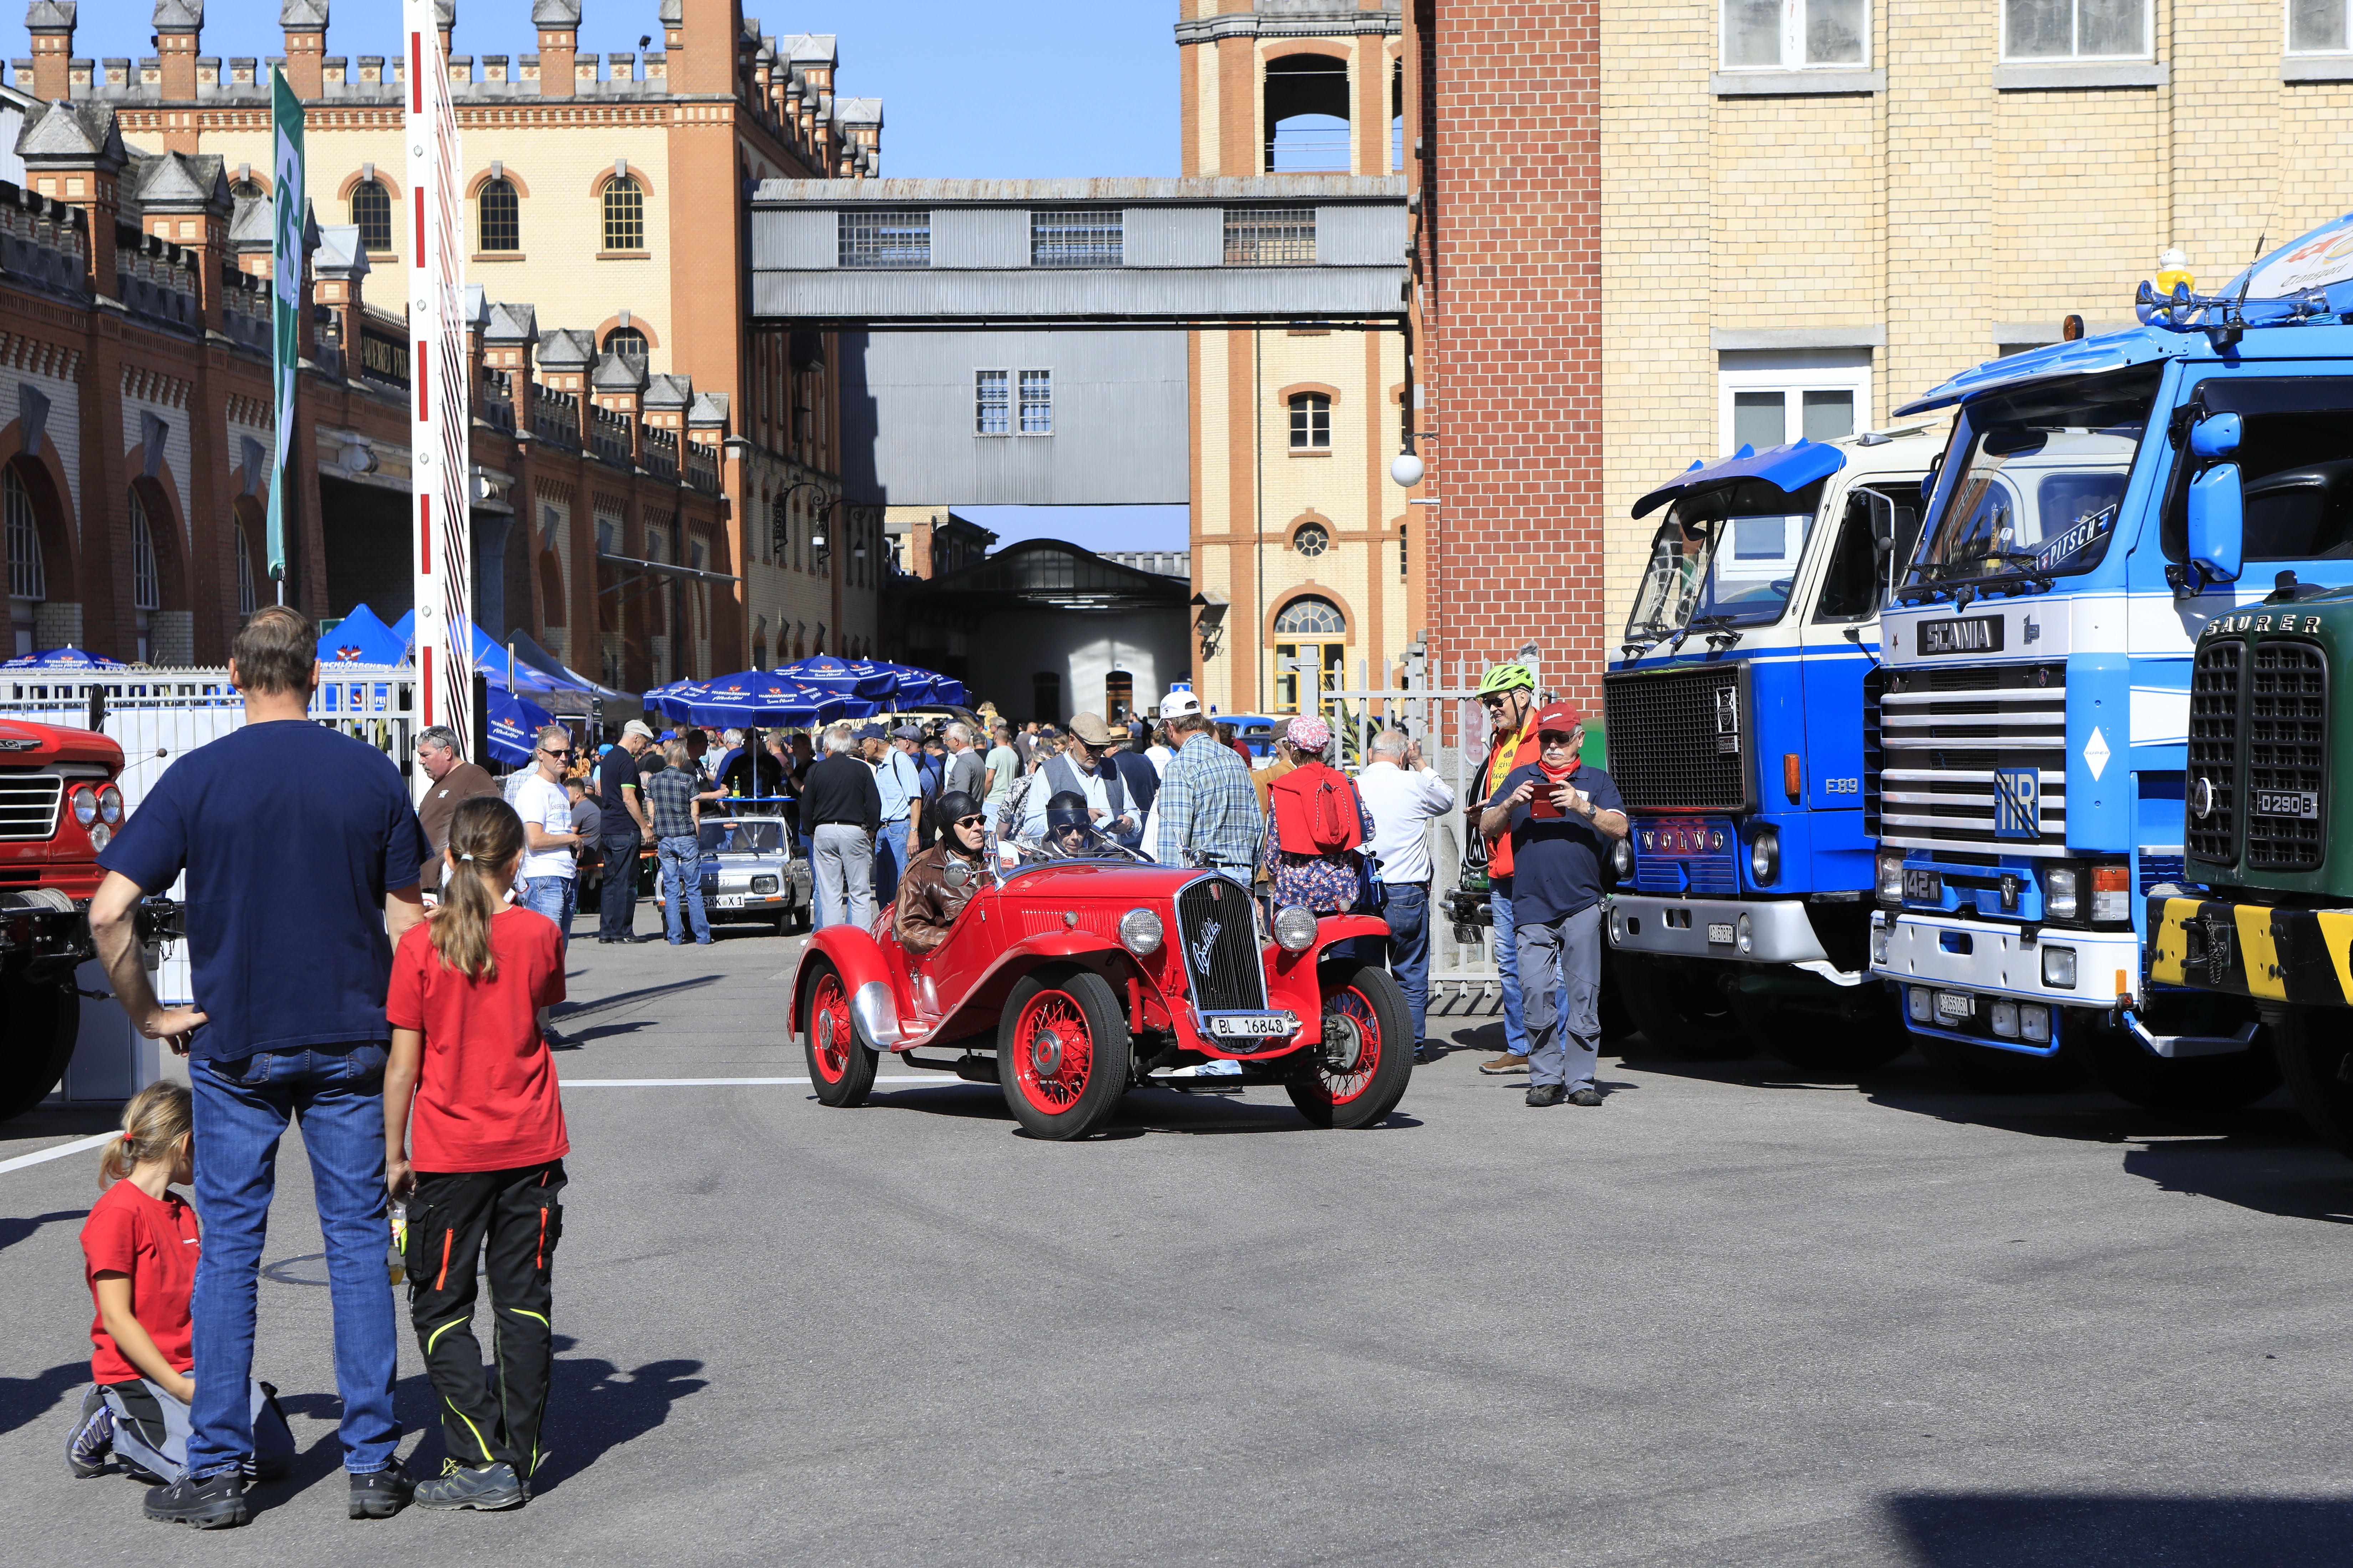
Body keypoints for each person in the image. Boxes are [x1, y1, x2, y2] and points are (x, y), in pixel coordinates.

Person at [87, 604, 427, 1526]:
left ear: (234, 672)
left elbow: (108, 910)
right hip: (354, 1035)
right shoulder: (370, 773)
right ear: (315, 673)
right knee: (358, 1243)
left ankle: (222, 1471)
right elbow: (407, 925)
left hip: (236, 1043)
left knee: (231, 1252)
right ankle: (372, 1464)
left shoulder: (197, 778)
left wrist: (152, 1012)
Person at [383, 796, 570, 1511]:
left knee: (440, 1304)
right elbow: (541, 1005)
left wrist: (393, 1151)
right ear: (517, 859)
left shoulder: (420, 946)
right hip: (531, 1141)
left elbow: (403, 1065)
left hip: (450, 1147)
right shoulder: (539, 932)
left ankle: (479, 1455)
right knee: (523, 1302)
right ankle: (517, 1457)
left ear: (452, 858)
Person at [67, 1082, 296, 1504]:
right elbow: (117, 1317)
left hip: (198, 1370)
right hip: (142, 1373)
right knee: (202, 1469)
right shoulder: (118, 1213)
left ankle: (170, 1419)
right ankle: (113, 1418)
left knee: (275, 1459)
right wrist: (176, 1385)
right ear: (188, 1142)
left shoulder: (183, 1210)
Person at [1479, 702, 1628, 1109]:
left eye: (1561, 739)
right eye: (1546, 739)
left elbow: (1620, 827)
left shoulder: (1595, 780)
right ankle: (1545, 1078)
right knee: (1535, 992)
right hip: (1530, 905)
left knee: (1583, 996)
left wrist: (1582, 806)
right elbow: (1486, 825)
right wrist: (1509, 804)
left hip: (1580, 903)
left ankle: (1580, 1080)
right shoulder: (1520, 777)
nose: (1552, 747)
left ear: (1578, 740)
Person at [1357, 729, 1458, 1063]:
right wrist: (1421, 763)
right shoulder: (1414, 783)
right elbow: (1446, 798)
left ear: (1371, 754)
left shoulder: (1352, 786)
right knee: (1410, 973)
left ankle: (1366, 1044)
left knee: (1363, 973)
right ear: (1403, 756)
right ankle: (1411, 1048)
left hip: (1363, 889)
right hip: (1407, 890)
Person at [1470, 662, 1545, 1076]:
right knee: (1509, 960)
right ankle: (1519, 1045)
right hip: (1500, 866)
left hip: (1533, 867)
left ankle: (1553, 1046)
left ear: (1521, 696)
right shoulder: (1502, 740)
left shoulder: (1544, 737)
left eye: (1496, 701)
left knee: (1546, 959)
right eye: (1486, 704)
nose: (1491, 710)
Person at [1257, 716, 1376, 913]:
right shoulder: (1345, 783)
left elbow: (1273, 853)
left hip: (1295, 895)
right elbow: (1369, 830)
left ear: (1293, 749)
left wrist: (1274, 877)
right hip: (1341, 893)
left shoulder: (1284, 789)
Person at [1154, 689, 1262, 872]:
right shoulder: (1235, 758)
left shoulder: (1179, 766)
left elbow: (1174, 841)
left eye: (1165, 729)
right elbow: (1257, 826)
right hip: (1242, 872)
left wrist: (1169, 885)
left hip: (1204, 878)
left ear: (1170, 726)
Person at [1018, 713, 1138, 848]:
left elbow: (1133, 812)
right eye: (1090, 747)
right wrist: (1077, 818)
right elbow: (1032, 826)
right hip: (1072, 865)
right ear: (1072, 740)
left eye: (1102, 748)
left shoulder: (1113, 768)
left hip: (1113, 861)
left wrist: (1130, 823)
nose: (1097, 754)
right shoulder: (1049, 772)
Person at [804, 724, 883, 929]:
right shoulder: (862, 769)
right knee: (860, 891)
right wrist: (872, 828)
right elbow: (874, 803)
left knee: (830, 893)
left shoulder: (816, 770)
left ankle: (834, 943)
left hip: (824, 829)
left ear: (828, 748)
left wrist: (810, 831)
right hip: (854, 830)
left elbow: (807, 805)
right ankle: (861, 940)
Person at [894, 789, 988, 958]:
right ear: (949, 829)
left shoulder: (996, 860)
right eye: (968, 823)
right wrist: (961, 940)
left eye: (981, 820)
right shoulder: (923, 871)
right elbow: (908, 928)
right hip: (954, 964)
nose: (978, 828)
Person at [413, 726, 499, 896]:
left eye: (425, 755)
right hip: (426, 881)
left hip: (450, 883)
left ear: (447, 752)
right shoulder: (440, 783)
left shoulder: (474, 776)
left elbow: (493, 823)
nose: (421, 761)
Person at [595, 720, 658, 943]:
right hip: (624, 829)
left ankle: (606, 931)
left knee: (611, 881)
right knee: (626, 883)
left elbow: (603, 791)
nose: (642, 748)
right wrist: (644, 827)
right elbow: (629, 799)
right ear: (635, 738)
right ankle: (622, 931)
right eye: (642, 743)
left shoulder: (608, 759)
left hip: (609, 828)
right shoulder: (627, 762)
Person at [645, 740, 711, 946]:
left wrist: (657, 829)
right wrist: (696, 835)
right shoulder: (688, 780)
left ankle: (675, 937)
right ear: (682, 760)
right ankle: (702, 936)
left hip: (665, 839)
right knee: (693, 889)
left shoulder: (654, 781)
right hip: (686, 836)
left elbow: (651, 811)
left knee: (672, 889)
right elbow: (696, 813)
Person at [871, 724, 927, 902]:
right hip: (884, 831)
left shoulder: (901, 760)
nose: (860, 747)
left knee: (900, 888)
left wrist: (913, 833)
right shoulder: (881, 766)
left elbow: (916, 799)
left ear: (874, 743)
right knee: (883, 889)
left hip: (900, 829)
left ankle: (900, 928)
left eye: (863, 742)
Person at [566, 777, 603, 904]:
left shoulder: (579, 809)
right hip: (597, 853)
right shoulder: (590, 806)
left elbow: (569, 835)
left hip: (586, 855)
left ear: (577, 795)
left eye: (568, 794)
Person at [942, 722, 986, 803]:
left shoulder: (964, 763)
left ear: (956, 741)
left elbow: (960, 797)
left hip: (963, 813)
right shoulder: (976, 758)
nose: (945, 743)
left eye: (947, 740)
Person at [982, 722, 1020, 808]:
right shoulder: (1014, 755)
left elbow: (990, 779)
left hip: (994, 800)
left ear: (996, 737)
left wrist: (984, 795)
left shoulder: (994, 753)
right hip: (1009, 801)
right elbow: (1016, 779)